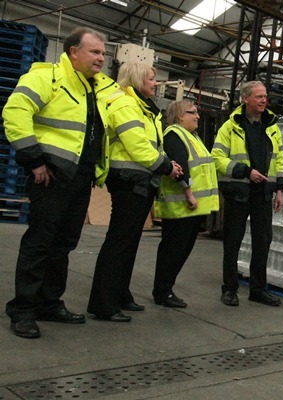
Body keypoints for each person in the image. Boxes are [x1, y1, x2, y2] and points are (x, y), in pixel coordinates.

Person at [3, 27, 118, 339]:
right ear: (73, 52)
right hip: (50, 175)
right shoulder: (48, 77)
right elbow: (15, 112)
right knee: (40, 241)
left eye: (103, 53)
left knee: (64, 244)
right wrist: (34, 159)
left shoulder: (94, 88)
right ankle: (23, 308)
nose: (101, 58)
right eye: (95, 52)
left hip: (80, 178)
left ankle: (49, 302)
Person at [87, 62, 182, 322]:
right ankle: (104, 304)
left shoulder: (142, 108)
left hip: (140, 180)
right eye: (151, 79)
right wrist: (165, 165)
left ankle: (120, 294)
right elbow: (137, 146)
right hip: (129, 180)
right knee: (119, 241)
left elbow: (150, 144)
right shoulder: (125, 105)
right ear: (138, 79)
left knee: (128, 242)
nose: (155, 83)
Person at [212, 80, 283, 307]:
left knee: (263, 241)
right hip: (239, 192)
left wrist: (279, 189)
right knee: (233, 241)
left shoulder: (271, 125)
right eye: (259, 97)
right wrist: (246, 172)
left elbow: (278, 159)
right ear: (245, 99)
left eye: (265, 97)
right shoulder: (230, 126)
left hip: (263, 193)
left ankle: (258, 289)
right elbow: (217, 158)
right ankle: (230, 289)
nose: (264, 100)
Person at [152, 100, 219, 308]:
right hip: (182, 206)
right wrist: (189, 193)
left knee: (181, 250)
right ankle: (162, 291)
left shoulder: (193, 136)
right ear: (180, 116)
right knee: (173, 250)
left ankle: (166, 289)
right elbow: (180, 166)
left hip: (191, 208)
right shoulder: (174, 134)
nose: (197, 116)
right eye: (193, 113)